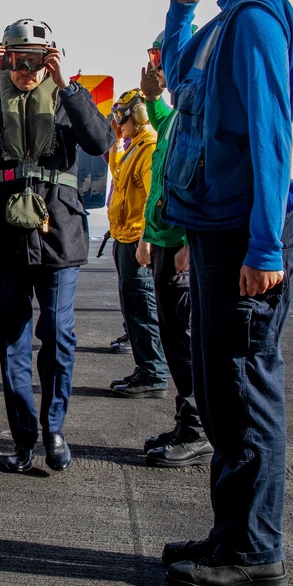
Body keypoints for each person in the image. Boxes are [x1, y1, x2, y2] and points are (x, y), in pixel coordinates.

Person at [159, 0, 293, 586]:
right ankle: (230, 534)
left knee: (243, 393)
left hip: (248, 234)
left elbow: (269, 136)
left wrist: (264, 249)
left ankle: (253, 552)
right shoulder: (222, 22)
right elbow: (177, 76)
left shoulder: (255, 22)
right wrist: (180, 3)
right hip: (217, 231)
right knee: (221, 395)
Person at [0, 19, 111, 473]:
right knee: (13, 342)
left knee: (58, 335)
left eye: (35, 59)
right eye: (16, 59)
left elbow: (100, 141)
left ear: (50, 59)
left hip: (57, 233)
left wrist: (69, 85)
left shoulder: (65, 99)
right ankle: (23, 437)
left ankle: (54, 427)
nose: (25, 68)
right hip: (2, 238)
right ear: (3, 58)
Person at [136, 34, 212, 469]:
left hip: (179, 241)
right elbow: (164, 121)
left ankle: (199, 430)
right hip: (163, 239)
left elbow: (199, 174)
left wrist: (184, 239)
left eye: (161, 59)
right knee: (172, 335)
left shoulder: (199, 109)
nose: (155, 66)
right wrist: (151, 95)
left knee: (185, 339)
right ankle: (187, 422)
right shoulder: (175, 115)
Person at [106, 89, 170, 398]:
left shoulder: (150, 148)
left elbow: (152, 197)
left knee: (142, 307)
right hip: (124, 237)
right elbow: (119, 176)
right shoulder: (133, 148)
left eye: (121, 115)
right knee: (132, 307)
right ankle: (145, 368)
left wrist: (146, 238)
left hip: (136, 241)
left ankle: (154, 373)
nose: (118, 120)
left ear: (138, 115)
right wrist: (117, 142)